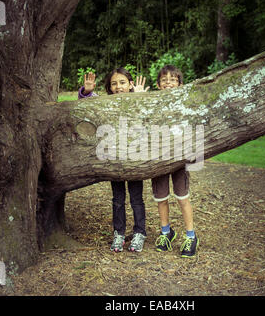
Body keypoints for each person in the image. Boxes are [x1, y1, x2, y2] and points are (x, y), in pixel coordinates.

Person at [78, 68, 149, 252]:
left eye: (123, 82)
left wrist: (139, 97)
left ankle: (139, 232)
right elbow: (88, 105)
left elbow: (147, 116)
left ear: (130, 84)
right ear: (109, 87)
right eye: (114, 83)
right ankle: (119, 233)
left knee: (136, 198)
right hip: (115, 160)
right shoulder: (106, 102)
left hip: (134, 158)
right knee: (118, 199)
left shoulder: (137, 99)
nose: (119, 87)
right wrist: (86, 91)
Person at [152, 65, 199, 258]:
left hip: (179, 159)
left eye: (173, 79)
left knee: (182, 197)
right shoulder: (153, 103)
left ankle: (191, 236)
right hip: (159, 158)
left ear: (180, 84)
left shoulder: (185, 104)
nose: (168, 83)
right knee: (161, 198)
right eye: (164, 80)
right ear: (158, 85)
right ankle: (166, 232)